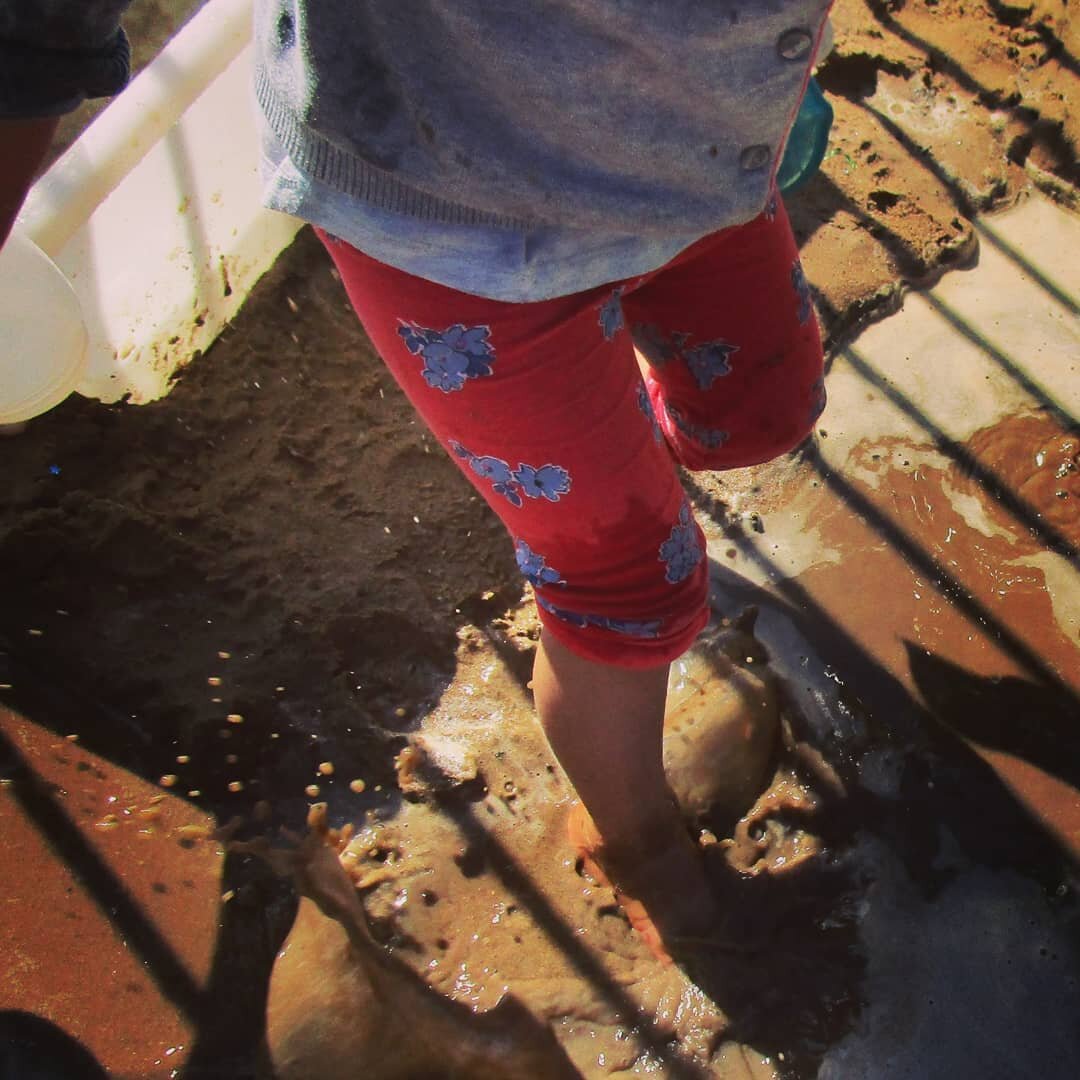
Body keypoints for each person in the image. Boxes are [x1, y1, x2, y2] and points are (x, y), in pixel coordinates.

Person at [0, 0, 833, 964]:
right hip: (459, 227)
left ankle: (606, 451)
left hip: (703, 156)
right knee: (631, 587)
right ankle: (632, 837)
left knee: (760, 416)